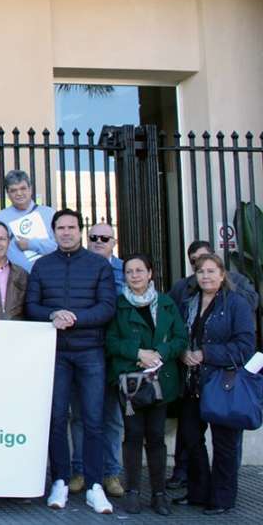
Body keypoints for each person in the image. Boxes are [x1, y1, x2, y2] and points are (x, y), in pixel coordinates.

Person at [25, 209, 116, 514]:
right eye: (61, 228)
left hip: (91, 351)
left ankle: (94, 485)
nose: (66, 232)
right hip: (55, 353)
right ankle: (60, 481)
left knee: (93, 420)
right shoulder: (42, 266)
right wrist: (52, 314)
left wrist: (75, 318)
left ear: (80, 230)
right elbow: (31, 306)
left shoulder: (98, 265)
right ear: (53, 232)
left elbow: (107, 307)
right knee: (56, 419)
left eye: (71, 227)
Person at [166, 240, 260, 490]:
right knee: (191, 438)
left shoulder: (236, 303)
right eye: (200, 271)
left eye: (210, 271)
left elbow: (245, 347)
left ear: (222, 274)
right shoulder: (188, 301)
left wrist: (205, 353)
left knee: (224, 444)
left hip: (222, 382)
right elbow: (177, 334)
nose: (205, 276)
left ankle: (222, 497)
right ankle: (198, 492)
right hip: (192, 383)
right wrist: (182, 351)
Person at [105, 254, 187, 516]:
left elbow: (180, 338)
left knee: (156, 438)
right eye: (129, 272)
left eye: (140, 270)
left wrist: (159, 353)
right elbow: (110, 341)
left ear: (150, 273)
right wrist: (138, 353)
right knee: (132, 437)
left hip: (160, 380)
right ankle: (132, 492)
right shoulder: (118, 305)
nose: (135, 275)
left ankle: (159, 494)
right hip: (131, 382)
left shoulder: (166, 303)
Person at [70, 223, 126, 499]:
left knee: (111, 417)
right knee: (80, 415)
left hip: (113, 352)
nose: (98, 241)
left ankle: (111, 473)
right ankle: (80, 471)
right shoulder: (77, 267)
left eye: (105, 237)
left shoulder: (126, 270)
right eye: (93, 237)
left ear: (114, 241)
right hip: (83, 348)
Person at [0, 170, 57, 273]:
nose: (19, 193)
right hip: (15, 278)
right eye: (13, 190)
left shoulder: (49, 214)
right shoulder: (0, 218)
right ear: (8, 194)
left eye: (23, 188)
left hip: (49, 274)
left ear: (30, 189)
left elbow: (58, 246)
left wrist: (31, 244)